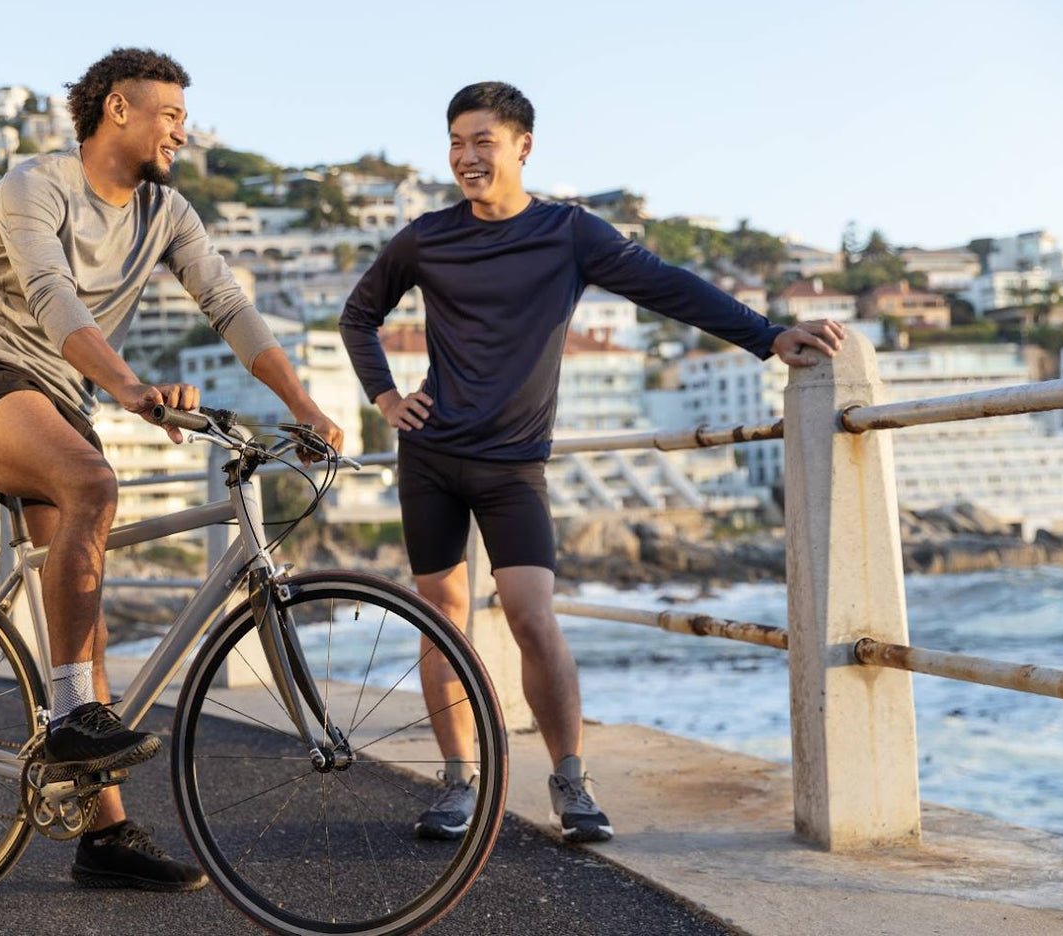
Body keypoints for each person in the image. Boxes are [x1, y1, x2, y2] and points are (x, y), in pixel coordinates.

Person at [339, 81, 842, 844]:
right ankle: (457, 786)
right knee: (441, 617)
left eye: (483, 141)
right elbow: (358, 314)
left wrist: (767, 335)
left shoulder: (569, 233)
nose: (467, 158)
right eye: (455, 143)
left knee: (532, 618)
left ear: (522, 146)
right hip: (431, 457)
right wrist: (383, 398)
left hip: (512, 467)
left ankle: (570, 782)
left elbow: (670, 287)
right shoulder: (427, 237)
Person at [0, 47, 343, 890]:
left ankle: (104, 836)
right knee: (95, 483)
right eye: (172, 115)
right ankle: (72, 714)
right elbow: (51, 297)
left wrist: (304, 407)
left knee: (86, 610)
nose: (182, 131)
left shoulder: (168, 212)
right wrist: (126, 387)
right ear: (118, 108)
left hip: (60, 403)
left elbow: (228, 304)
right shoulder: (31, 187)